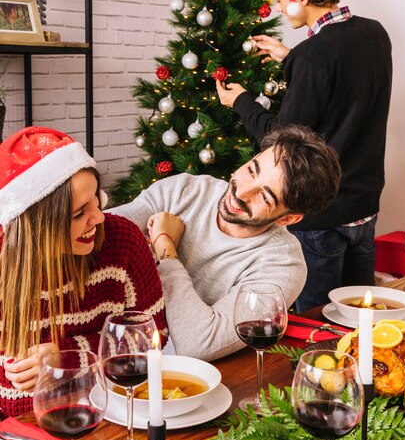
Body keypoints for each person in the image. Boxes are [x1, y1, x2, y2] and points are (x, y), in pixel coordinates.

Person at [216, 0, 392, 312]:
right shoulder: (374, 33)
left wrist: (241, 101)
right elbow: (346, 85)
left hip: (323, 220)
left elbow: (280, 140)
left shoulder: (314, 55)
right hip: (365, 208)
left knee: (317, 325)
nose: (278, 7)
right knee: (360, 320)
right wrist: (292, 57)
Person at [110, 125, 341, 361]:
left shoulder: (283, 266)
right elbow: (103, 231)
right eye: (252, 171)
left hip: (178, 379)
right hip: (111, 349)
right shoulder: (185, 190)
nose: (242, 192)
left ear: (287, 218)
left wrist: (165, 248)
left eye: (264, 196)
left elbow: (198, 343)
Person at [0, 126, 168, 418]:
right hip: (18, 435)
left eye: (97, 200)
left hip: (110, 414)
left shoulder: (123, 242)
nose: (99, 217)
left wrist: (65, 356)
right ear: (37, 227)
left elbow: (154, 335)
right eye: (79, 213)